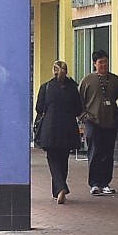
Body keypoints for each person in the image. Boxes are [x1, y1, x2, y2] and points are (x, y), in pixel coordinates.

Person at [34, 61, 84, 204]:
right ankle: (57, 192)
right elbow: (78, 110)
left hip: (50, 128)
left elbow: (39, 108)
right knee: (63, 159)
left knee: (52, 159)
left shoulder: (46, 87)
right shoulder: (73, 87)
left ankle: (60, 188)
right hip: (68, 128)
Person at [79, 49, 118, 196]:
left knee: (108, 153)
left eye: (105, 61)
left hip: (110, 122)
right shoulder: (87, 81)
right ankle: (94, 183)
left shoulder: (115, 80)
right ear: (94, 64)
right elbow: (79, 102)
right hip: (93, 122)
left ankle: (105, 182)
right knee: (95, 152)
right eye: (100, 62)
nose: (103, 65)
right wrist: (84, 116)